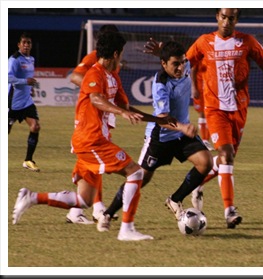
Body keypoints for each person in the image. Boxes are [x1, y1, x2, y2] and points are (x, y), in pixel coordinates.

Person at [12, 31, 176, 241]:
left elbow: (127, 107)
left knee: (83, 200)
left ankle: (31, 197)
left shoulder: (113, 76)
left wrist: (158, 120)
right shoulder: (94, 73)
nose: (122, 57)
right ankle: (127, 229)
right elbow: (96, 99)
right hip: (91, 140)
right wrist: (121, 112)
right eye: (122, 53)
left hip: (94, 141)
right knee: (135, 173)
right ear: (116, 53)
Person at [185, 8, 263, 228]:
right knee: (226, 155)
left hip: (240, 109)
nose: (227, 22)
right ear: (217, 17)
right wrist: (189, 84)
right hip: (215, 109)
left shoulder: (247, 41)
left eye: (231, 18)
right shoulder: (204, 42)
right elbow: (185, 62)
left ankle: (196, 186)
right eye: (223, 17)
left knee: (227, 158)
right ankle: (229, 211)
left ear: (237, 20)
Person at [102, 41, 213, 223]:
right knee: (139, 178)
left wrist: (162, 52)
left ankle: (175, 199)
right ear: (164, 64)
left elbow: (179, 60)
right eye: (175, 64)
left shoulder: (184, 67)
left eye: (182, 62)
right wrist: (184, 127)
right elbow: (162, 118)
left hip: (181, 135)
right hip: (160, 137)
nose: (181, 67)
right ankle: (108, 212)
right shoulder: (160, 83)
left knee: (205, 162)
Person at [65, 24, 122, 225]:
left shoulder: (111, 64)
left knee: (91, 162)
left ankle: (78, 210)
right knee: (95, 159)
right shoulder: (94, 57)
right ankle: (97, 208)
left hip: (103, 113)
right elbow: (74, 76)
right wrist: (95, 90)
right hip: (90, 113)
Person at [8, 32, 41, 172]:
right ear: (19, 45)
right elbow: (8, 77)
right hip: (12, 102)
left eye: (29, 43)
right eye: (24, 42)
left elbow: (28, 77)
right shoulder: (14, 59)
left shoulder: (31, 59)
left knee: (35, 126)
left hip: (26, 101)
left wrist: (29, 88)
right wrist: (24, 81)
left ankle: (28, 160)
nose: (27, 45)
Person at [192, 62, 214, 151]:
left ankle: (206, 141)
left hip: (211, 89)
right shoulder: (198, 57)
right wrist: (194, 88)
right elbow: (193, 70)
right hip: (200, 89)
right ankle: (205, 141)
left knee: (209, 114)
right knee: (202, 113)